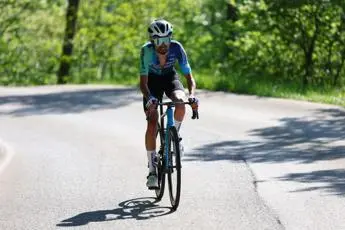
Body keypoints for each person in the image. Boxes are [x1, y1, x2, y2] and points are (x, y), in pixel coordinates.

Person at [139, 19, 199, 189]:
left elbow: (189, 77)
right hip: (152, 84)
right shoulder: (146, 51)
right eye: (159, 41)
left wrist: (192, 96)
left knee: (180, 103)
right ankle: (152, 172)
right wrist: (150, 98)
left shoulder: (177, 48)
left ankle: (174, 137)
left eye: (166, 40)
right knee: (152, 122)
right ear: (152, 41)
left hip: (170, 79)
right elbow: (143, 84)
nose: (163, 44)